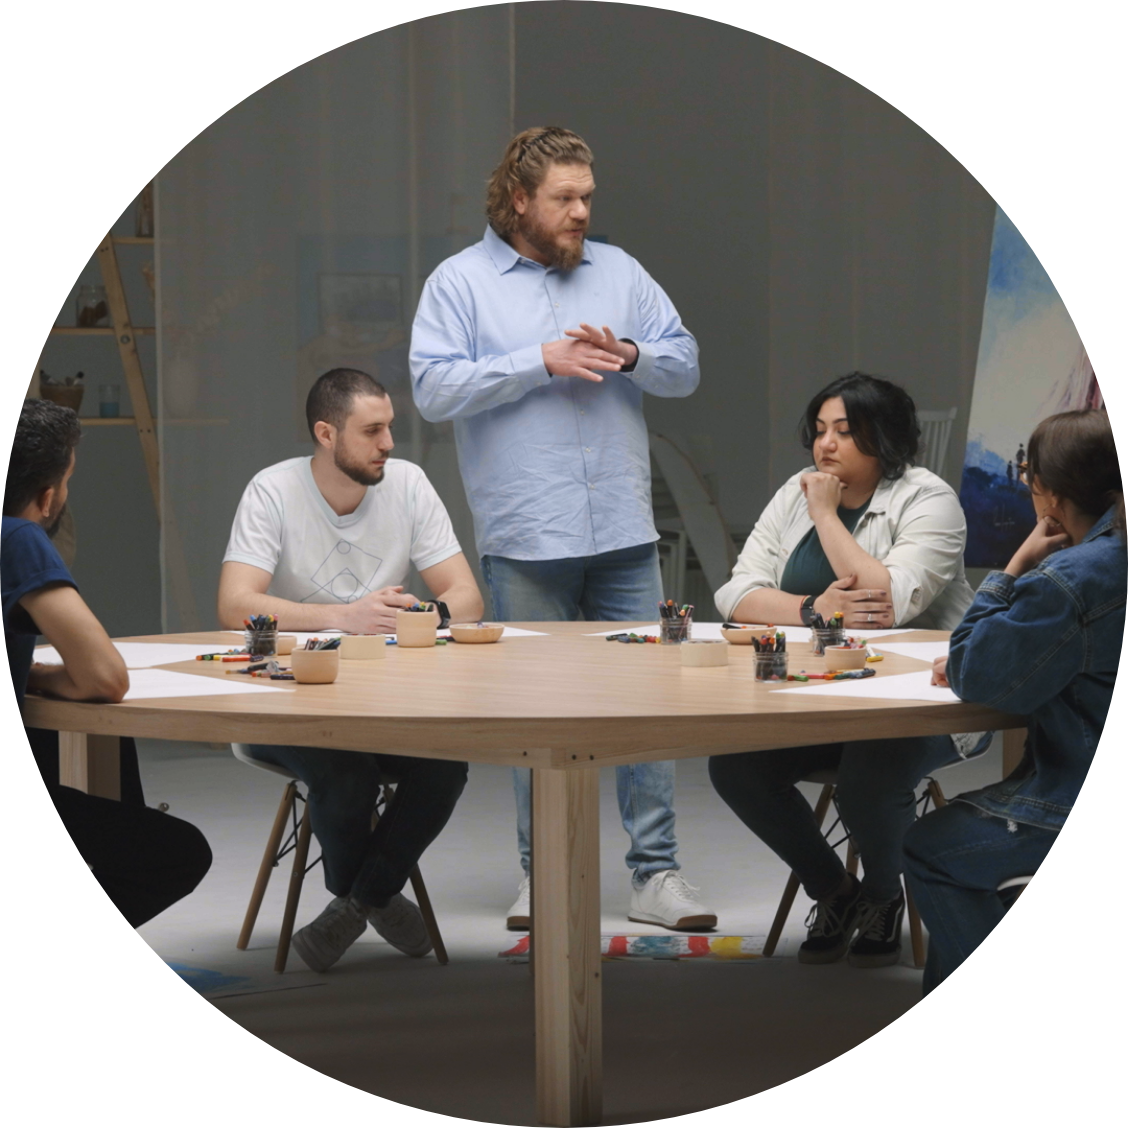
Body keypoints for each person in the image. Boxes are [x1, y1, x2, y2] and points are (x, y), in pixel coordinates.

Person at [409, 126, 714, 931]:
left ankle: (657, 877)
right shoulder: (459, 283)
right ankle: (542, 872)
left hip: (623, 528)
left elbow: (685, 363)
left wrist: (635, 353)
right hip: (527, 535)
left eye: (588, 196)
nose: (582, 212)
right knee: (533, 711)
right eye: (565, 199)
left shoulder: (620, 272)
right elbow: (433, 392)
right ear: (519, 201)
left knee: (650, 704)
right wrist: (534, 361)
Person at [709, 372, 982, 967]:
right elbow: (733, 594)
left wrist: (828, 516)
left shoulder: (928, 499)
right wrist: (814, 609)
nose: (825, 445)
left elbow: (887, 605)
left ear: (884, 438)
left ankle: (885, 896)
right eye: (820, 431)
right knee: (734, 768)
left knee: (867, 783)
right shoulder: (796, 491)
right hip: (819, 696)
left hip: (924, 702)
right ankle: (835, 890)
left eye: (845, 432)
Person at [218, 368, 482, 971]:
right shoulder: (273, 489)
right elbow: (235, 603)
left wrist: (425, 611)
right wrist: (344, 616)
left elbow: (466, 597)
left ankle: (358, 902)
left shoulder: (409, 484)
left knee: (447, 766)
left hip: (390, 699)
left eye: (390, 426)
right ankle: (379, 899)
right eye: (373, 430)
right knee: (346, 772)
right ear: (326, 433)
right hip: (285, 704)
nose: (390, 442)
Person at [904, 409, 1124, 994]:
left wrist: (1016, 564)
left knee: (930, 850)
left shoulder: (1073, 579)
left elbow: (975, 673)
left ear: (1046, 494)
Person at [5, 398, 211, 928]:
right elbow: (104, 677)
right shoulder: (19, 537)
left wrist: (34, 674)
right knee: (177, 853)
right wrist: (51, 677)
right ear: (48, 496)